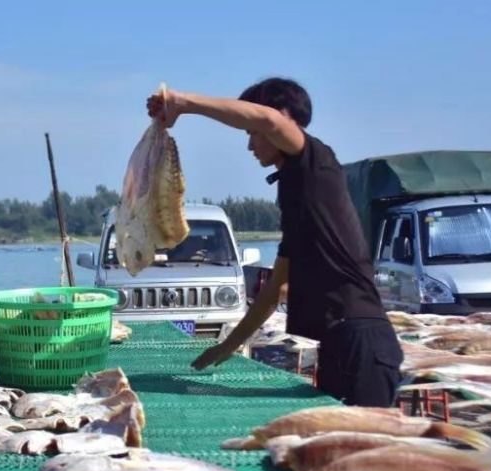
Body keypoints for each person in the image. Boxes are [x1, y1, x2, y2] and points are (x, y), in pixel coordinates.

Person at [148, 78, 403, 407]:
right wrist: (229, 345)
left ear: (281, 118)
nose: (250, 145)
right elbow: (275, 288)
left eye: (250, 132)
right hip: (337, 344)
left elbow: (268, 120)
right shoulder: (297, 194)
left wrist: (184, 102)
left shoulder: (316, 162)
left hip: (362, 343)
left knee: (366, 453)